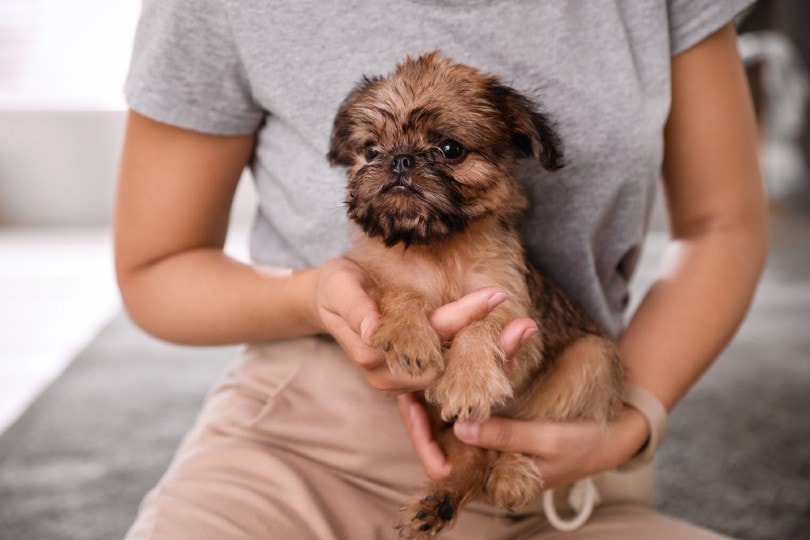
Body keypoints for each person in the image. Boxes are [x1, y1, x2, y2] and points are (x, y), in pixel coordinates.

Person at [116, 1, 767, 538]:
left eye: (446, 150)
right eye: (374, 150)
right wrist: (314, 297)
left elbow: (724, 227)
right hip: (303, 444)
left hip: (563, 466)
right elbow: (155, 267)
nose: (401, 167)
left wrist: (630, 422)